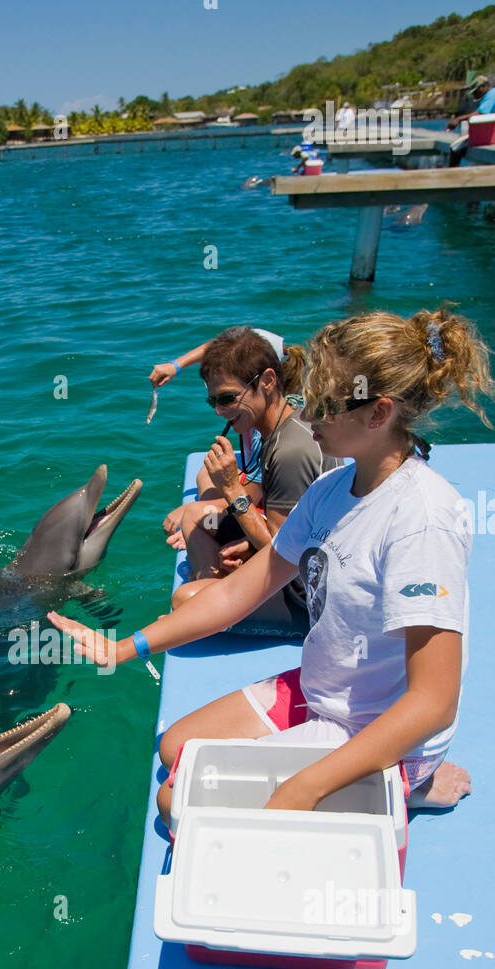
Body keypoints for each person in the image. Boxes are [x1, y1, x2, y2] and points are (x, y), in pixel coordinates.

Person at [49, 307, 492, 812]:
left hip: (379, 727)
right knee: (176, 748)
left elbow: (432, 703)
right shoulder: (331, 489)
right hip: (328, 690)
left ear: (378, 413)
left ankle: (409, 785)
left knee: (178, 801)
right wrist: (126, 649)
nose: (307, 414)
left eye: (324, 403)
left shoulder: (421, 521)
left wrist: (303, 787)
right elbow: (242, 591)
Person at [151, 327, 337, 615]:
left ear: (267, 380)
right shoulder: (288, 422)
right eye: (212, 401)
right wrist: (248, 547)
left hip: (307, 596)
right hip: (299, 555)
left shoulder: (290, 453)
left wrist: (232, 490)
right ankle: (216, 590)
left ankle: (210, 606)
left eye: (226, 399)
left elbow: (280, 553)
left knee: (185, 601)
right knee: (197, 519)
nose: (218, 411)